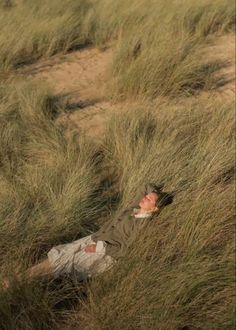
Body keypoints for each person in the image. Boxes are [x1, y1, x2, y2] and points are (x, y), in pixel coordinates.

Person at [2, 183, 173, 288]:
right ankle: (21, 277)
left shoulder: (142, 225)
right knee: (61, 254)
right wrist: (156, 192)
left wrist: (98, 248)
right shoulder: (135, 208)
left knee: (62, 266)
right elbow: (147, 185)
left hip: (104, 252)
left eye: (149, 199)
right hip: (97, 237)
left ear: (155, 209)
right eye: (146, 196)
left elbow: (124, 249)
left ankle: (19, 282)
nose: (144, 198)